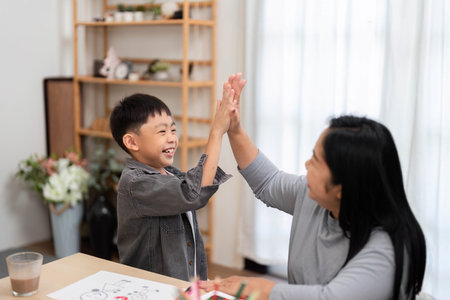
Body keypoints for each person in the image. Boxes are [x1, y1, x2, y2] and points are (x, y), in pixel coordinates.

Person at [201, 73, 426, 299]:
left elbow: (328, 297)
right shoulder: (313, 196)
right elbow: (268, 182)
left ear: (343, 187)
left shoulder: (385, 250)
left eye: (315, 161)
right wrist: (234, 128)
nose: (307, 164)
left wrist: (261, 288)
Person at [109, 88, 236, 281]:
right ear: (132, 142)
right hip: (152, 290)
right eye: (162, 131)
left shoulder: (170, 175)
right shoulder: (136, 183)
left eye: (173, 130)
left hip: (182, 288)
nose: (172, 138)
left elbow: (194, 189)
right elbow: (194, 192)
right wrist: (217, 131)